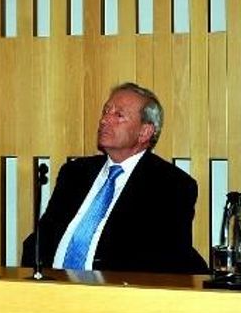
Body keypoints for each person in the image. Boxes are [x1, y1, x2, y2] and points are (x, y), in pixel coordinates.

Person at [22, 82, 206, 273]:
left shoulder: (171, 185)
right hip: (49, 288)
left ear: (145, 132)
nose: (104, 120)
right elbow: (41, 239)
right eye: (105, 112)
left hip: (116, 294)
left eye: (118, 115)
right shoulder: (75, 173)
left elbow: (163, 259)